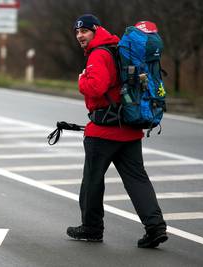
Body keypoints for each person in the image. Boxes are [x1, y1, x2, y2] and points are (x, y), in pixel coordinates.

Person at [66, 14, 168, 248]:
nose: (80, 36)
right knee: (137, 180)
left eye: (85, 31)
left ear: (96, 30)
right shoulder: (116, 47)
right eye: (77, 32)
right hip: (129, 128)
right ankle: (155, 227)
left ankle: (91, 228)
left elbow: (95, 86)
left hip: (103, 131)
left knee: (92, 180)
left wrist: (81, 79)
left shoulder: (99, 53)